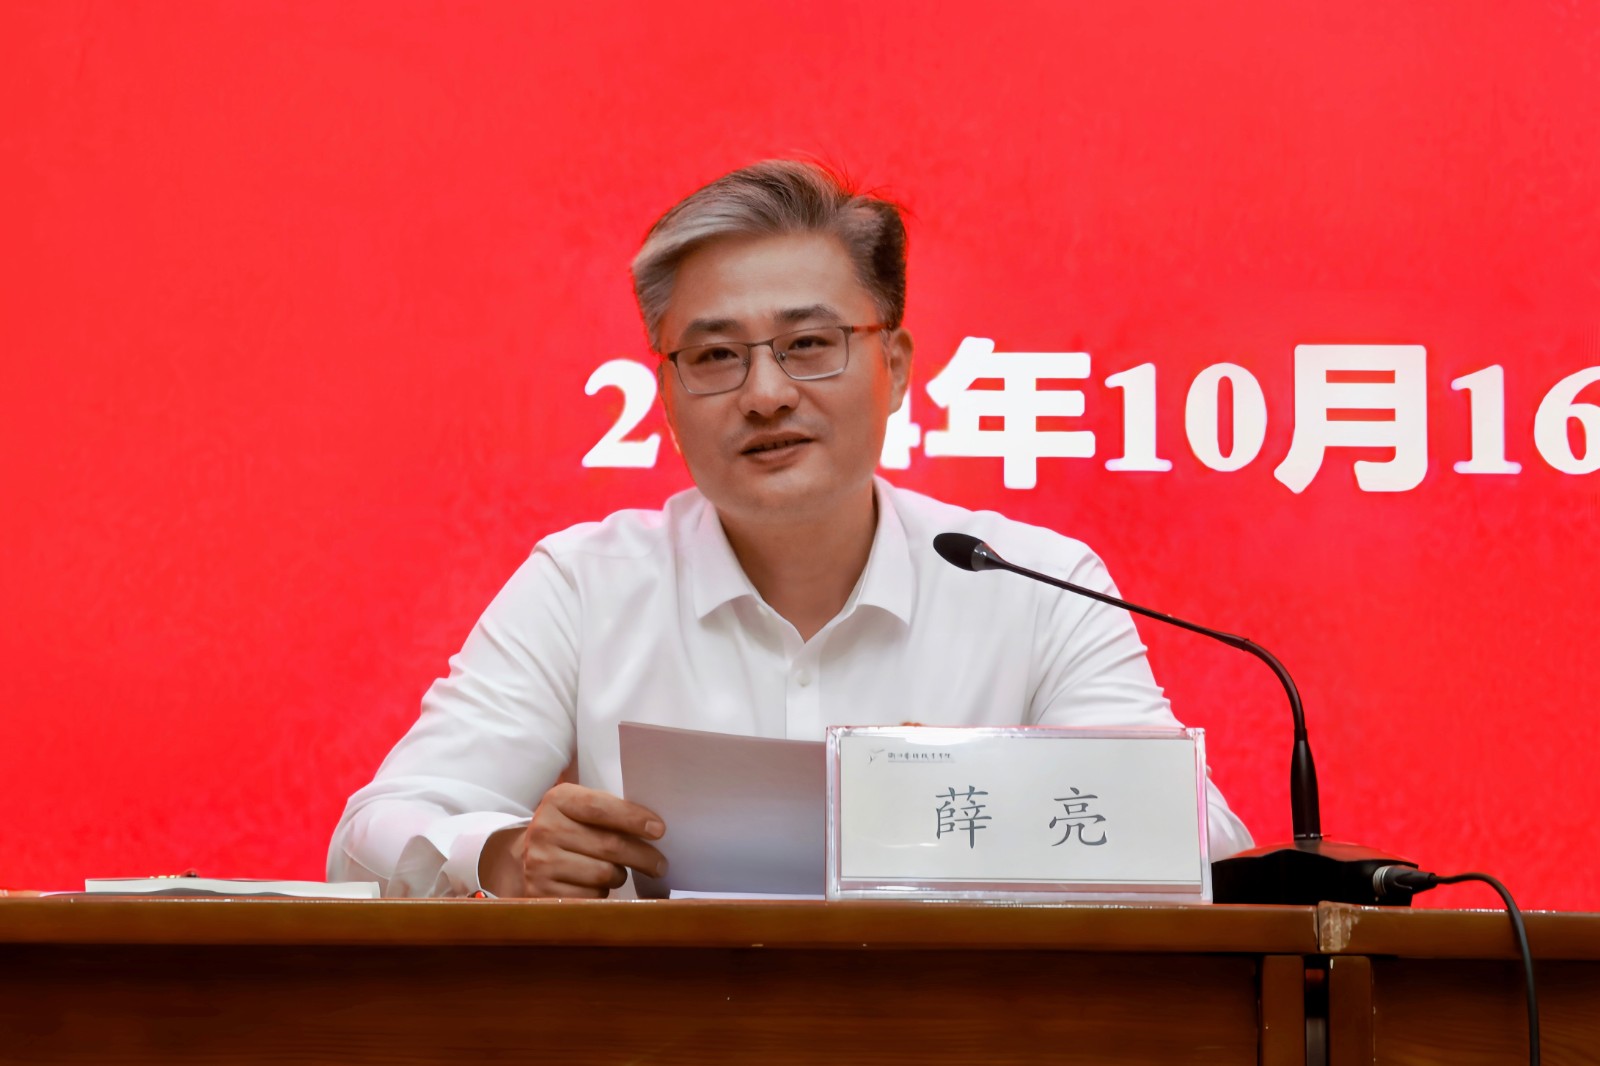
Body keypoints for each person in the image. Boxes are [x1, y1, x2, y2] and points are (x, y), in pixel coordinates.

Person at [327, 160, 1252, 898]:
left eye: (809, 345)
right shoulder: (584, 585)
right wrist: (503, 854)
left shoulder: (1032, 583)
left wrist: (976, 790)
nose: (766, 394)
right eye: (715, 356)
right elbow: (373, 830)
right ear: (668, 396)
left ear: (895, 365)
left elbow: (1206, 844)